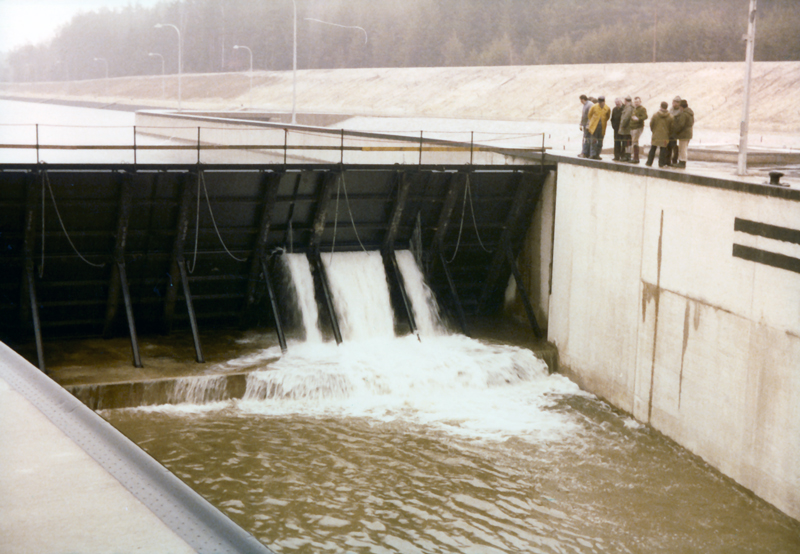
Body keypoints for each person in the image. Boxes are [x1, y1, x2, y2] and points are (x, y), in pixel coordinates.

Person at [646, 101, 673, 168]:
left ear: (660, 106)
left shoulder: (655, 115)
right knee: (663, 150)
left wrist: (654, 131)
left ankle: (649, 162)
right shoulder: (670, 116)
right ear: (667, 107)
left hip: (656, 134)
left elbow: (651, 124)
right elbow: (671, 127)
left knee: (653, 148)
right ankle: (661, 163)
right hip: (665, 136)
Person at [587, 95, 611, 160]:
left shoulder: (607, 108)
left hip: (602, 127)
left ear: (604, 102)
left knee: (600, 142)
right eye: (599, 102)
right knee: (593, 141)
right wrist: (593, 122)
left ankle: (597, 154)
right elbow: (589, 115)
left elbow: (608, 117)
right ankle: (592, 154)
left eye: (602, 102)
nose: (601, 104)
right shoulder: (594, 107)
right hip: (594, 127)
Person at [673, 99, 694, 169]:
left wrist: (675, 131)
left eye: (680, 107)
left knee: (682, 148)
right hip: (688, 133)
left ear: (682, 107)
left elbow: (680, 125)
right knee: (684, 148)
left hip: (683, 134)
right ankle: (682, 161)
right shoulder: (690, 113)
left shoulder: (684, 114)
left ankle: (682, 162)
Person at [629, 96, 648, 164]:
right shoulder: (634, 108)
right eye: (635, 102)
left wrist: (638, 118)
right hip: (632, 127)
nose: (636, 103)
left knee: (635, 141)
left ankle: (636, 158)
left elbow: (645, 116)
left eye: (637, 102)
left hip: (638, 127)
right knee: (633, 141)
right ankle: (634, 156)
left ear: (640, 102)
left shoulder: (642, 109)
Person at [618, 96, 634, 162]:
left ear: (625, 101)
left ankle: (626, 156)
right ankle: (626, 156)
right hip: (627, 129)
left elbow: (626, 118)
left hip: (626, 129)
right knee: (627, 143)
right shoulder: (628, 107)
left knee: (626, 143)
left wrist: (622, 126)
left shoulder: (629, 108)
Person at [667, 95, 682, 166]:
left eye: (676, 102)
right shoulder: (671, 109)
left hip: (675, 131)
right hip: (669, 131)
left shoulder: (680, 111)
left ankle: (674, 160)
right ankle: (668, 159)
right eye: (673, 102)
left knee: (674, 146)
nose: (674, 104)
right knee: (668, 145)